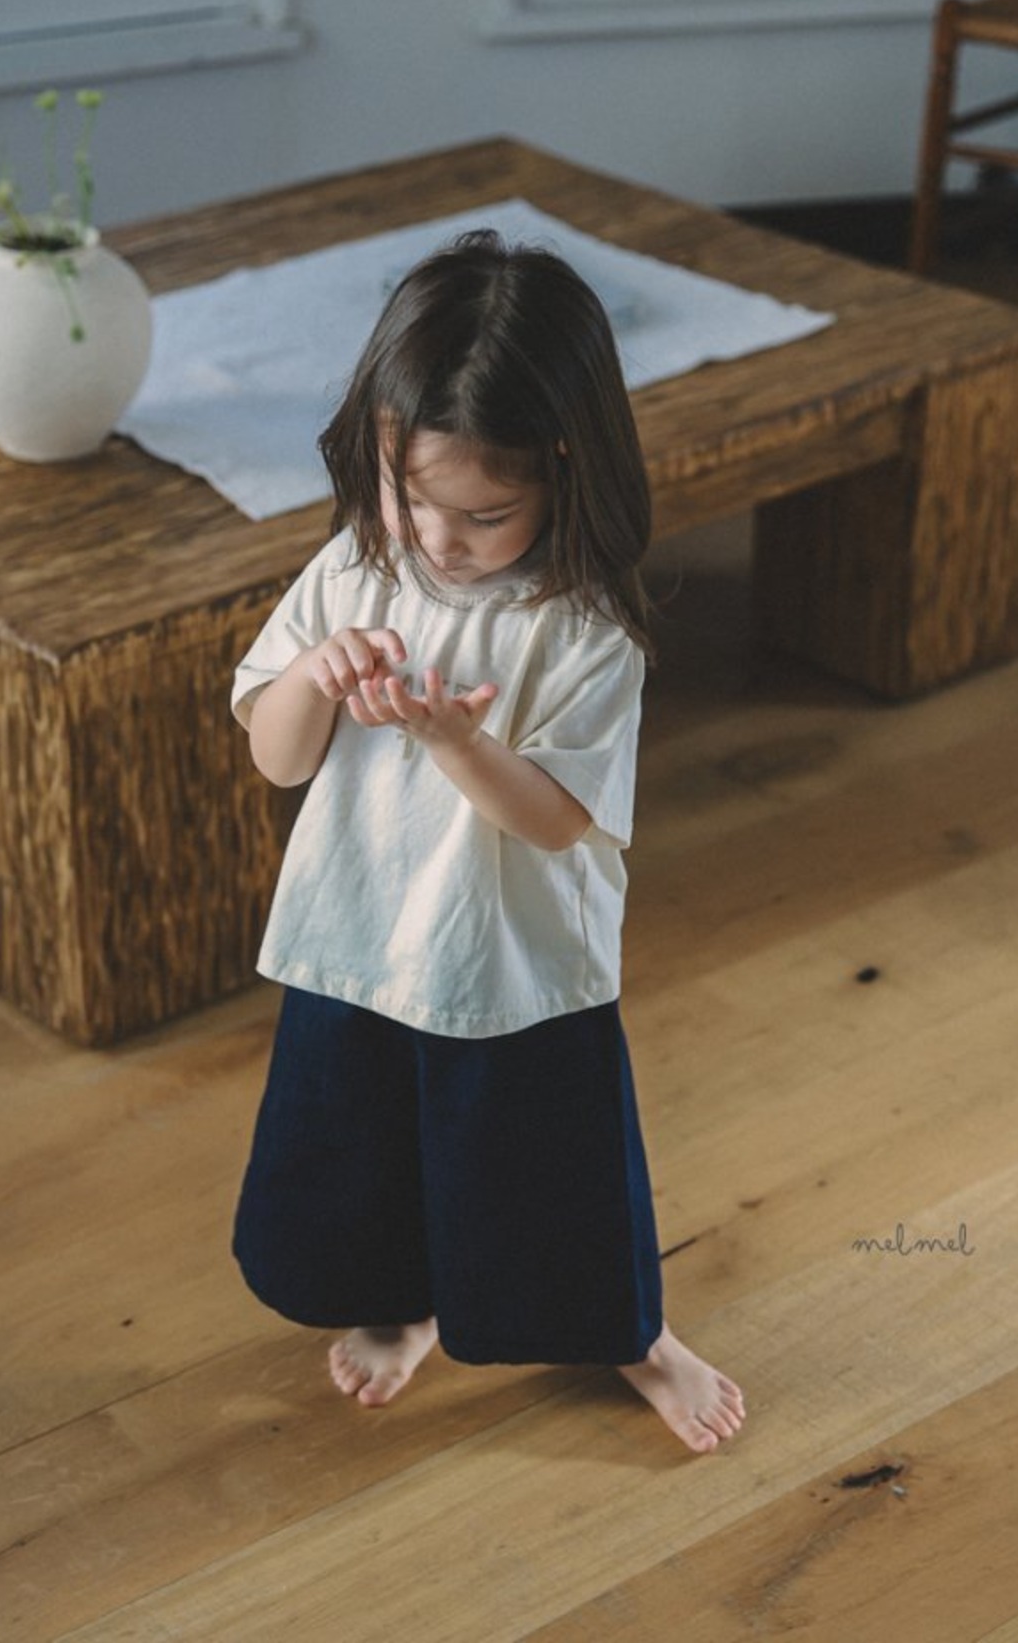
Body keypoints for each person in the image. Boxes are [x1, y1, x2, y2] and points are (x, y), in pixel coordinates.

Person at [229, 230, 744, 1454]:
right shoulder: (351, 571)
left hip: (511, 954)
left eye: (483, 513)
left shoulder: (580, 631)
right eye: (409, 496)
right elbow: (276, 757)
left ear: (565, 473)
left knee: (544, 1161)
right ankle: (398, 1299)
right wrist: (311, 672)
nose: (437, 539)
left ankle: (630, 1332)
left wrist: (455, 742)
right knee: (365, 1142)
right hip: (357, 935)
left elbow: (558, 818)